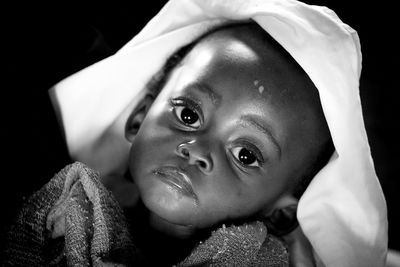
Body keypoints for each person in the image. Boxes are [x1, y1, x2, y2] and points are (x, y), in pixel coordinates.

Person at [4, 0, 389, 266]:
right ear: (140, 116)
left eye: (246, 155)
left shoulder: (259, 260)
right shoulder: (64, 198)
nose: (197, 150)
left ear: (285, 209)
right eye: (188, 114)